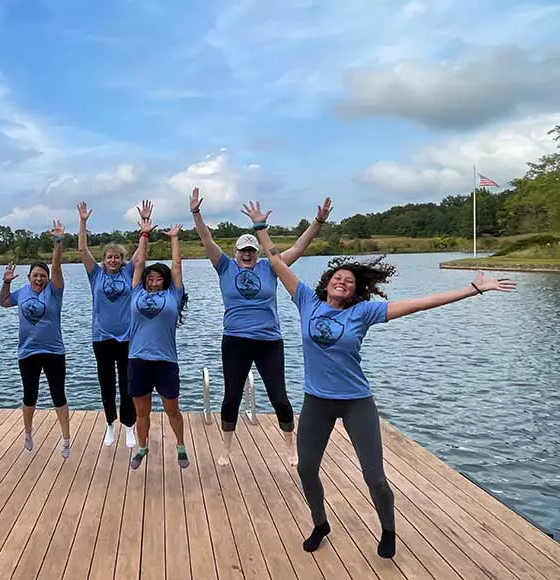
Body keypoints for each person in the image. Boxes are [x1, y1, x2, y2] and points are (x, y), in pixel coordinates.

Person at [242, 200, 516, 559]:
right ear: (328, 285)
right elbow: (277, 262)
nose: (342, 282)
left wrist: (473, 289)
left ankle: (388, 529)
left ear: (355, 292)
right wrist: (261, 227)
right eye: (338, 277)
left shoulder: (364, 311)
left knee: (375, 477)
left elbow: (422, 302)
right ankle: (320, 522)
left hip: (356, 401)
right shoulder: (307, 300)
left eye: (349, 281)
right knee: (307, 468)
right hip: (317, 401)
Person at [189, 187, 332, 467]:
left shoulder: (270, 267)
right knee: (231, 396)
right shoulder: (224, 267)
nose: (247, 254)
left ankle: (291, 448)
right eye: (242, 250)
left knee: (279, 396)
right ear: (235, 252)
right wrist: (196, 212)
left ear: (257, 252)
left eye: (251, 250)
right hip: (235, 341)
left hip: (269, 341)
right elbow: (206, 238)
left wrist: (318, 222)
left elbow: (300, 248)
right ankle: (227, 448)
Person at [76, 200, 152, 448]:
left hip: (127, 337)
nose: (113, 260)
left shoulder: (129, 272)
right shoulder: (95, 274)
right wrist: (83, 222)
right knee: (106, 383)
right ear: (104, 259)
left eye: (117, 257)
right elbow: (82, 250)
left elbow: (141, 259)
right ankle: (109, 423)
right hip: (101, 338)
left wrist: (144, 231)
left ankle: (129, 426)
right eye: (109, 257)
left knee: (127, 384)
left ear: (121, 260)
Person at [0, 220, 72, 458]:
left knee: (57, 394)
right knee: (29, 394)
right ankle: (28, 432)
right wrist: (6, 281)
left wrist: (57, 243)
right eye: (35, 275)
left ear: (48, 279)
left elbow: (57, 267)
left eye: (43, 276)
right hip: (28, 352)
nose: (39, 279)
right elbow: (3, 301)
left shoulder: (55, 290)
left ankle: (65, 437)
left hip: (53, 351)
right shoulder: (22, 292)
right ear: (29, 277)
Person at [127, 217, 191, 470]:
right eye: (150, 279)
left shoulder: (173, 295)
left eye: (158, 279)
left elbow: (176, 265)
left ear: (165, 281)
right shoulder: (136, 292)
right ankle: (142, 447)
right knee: (142, 413)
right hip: (138, 359)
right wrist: (144, 235)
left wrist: (174, 238)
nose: (154, 283)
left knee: (172, 409)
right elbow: (139, 262)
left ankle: (181, 446)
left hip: (166, 361)